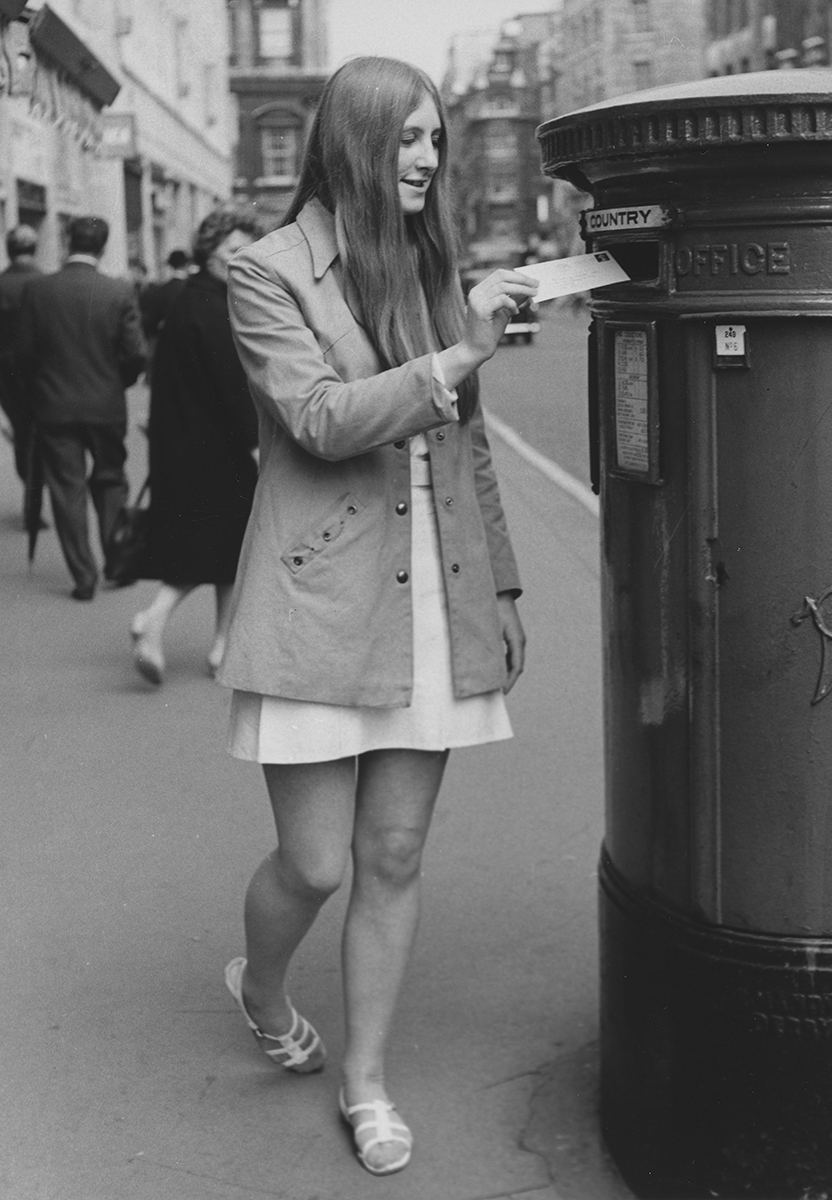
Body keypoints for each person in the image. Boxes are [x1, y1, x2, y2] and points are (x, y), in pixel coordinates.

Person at [216, 57, 537, 1176]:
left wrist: (498, 586)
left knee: (391, 854)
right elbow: (316, 418)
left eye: (436, 139)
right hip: (318, 591)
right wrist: (458, 353)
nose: (427, 158)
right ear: (354, 139)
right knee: (314, 865)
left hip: (436, 591)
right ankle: (260, 984)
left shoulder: (433, 265)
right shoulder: (268, 272)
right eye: (406, 138)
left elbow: (470, 447)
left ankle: (365, 1083)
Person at [129, 210, 263, 685]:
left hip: (183, 441)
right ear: (210, 253)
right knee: (215, 546)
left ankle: (224, 645)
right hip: (216, 448)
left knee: (227, 547)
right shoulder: (218, 306)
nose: (240, 260)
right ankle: (155, 620)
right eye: (232, 252)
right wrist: (254, 444)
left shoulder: (189, 299)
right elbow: (232, 387)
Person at [18, 216, 147, 599]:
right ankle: (116, 563)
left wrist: (39, 392)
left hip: (54, 407)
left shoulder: (39, 290)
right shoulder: (118, 291)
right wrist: (115, 382)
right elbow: (136, 354)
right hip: (106, 405)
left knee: (66, 488)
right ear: (103, 247)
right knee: (110, 480)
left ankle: (83, 576)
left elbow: (23, 355)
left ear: (66, 241)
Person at [0, 225, 41, 510]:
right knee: (38, 431)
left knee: (21, 430)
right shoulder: (46, 282)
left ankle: (29, 481)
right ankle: (36, 487)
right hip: (41, 372)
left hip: (6, 373)